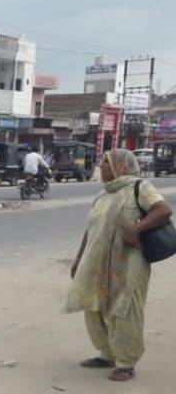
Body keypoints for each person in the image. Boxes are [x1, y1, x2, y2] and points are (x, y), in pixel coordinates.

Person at [64, 149, 172, 382]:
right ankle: (107, 353)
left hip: (128, 262)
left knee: (123, 310)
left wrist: (137, 228)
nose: (101, 166)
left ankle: (126, 363)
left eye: (106, 162)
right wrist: (79, 258)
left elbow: (163, 210)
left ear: (121, 166)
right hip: (96, 262)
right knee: (94, 305)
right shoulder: (103, 194)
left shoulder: (138, 187)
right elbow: (90, 229)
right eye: (101, 162)